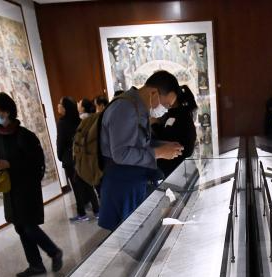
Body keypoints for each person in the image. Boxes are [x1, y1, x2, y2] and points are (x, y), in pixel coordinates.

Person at [0, 92, 63, 277]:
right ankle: (35, 265)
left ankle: (54, 252)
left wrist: (10, 164)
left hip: (27, 187)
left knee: (29, 226)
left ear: (6, 112)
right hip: (10, 187)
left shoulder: (25, 136)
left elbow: (35, 163)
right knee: (20, 227)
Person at [97, 71, 183, 231]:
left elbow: (139, 142)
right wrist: (159, 152)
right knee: (127, 237)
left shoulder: (137, 107)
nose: (165, 110)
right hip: (122, 186)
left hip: (133, 182)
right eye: (166, 105)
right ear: (154, 93)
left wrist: (164, 145)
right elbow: (121, 153)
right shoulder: (125, 108)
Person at [56, 96, 98, 222]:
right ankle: (97, 210)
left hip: (69, 159)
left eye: (60, 104)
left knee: (76, 188)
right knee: (88, 184)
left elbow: (60, 142)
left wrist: (60, 156)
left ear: (65, 108)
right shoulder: (79, 120)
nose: (58, 106)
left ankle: (82, 214)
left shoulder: (62, 123)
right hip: (82, 157)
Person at [152, 84, 198, 177]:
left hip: (176, 169)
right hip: (178, 169)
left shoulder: (178, 115)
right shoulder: (179, 114)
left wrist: (154, 124)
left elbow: (166, 138)